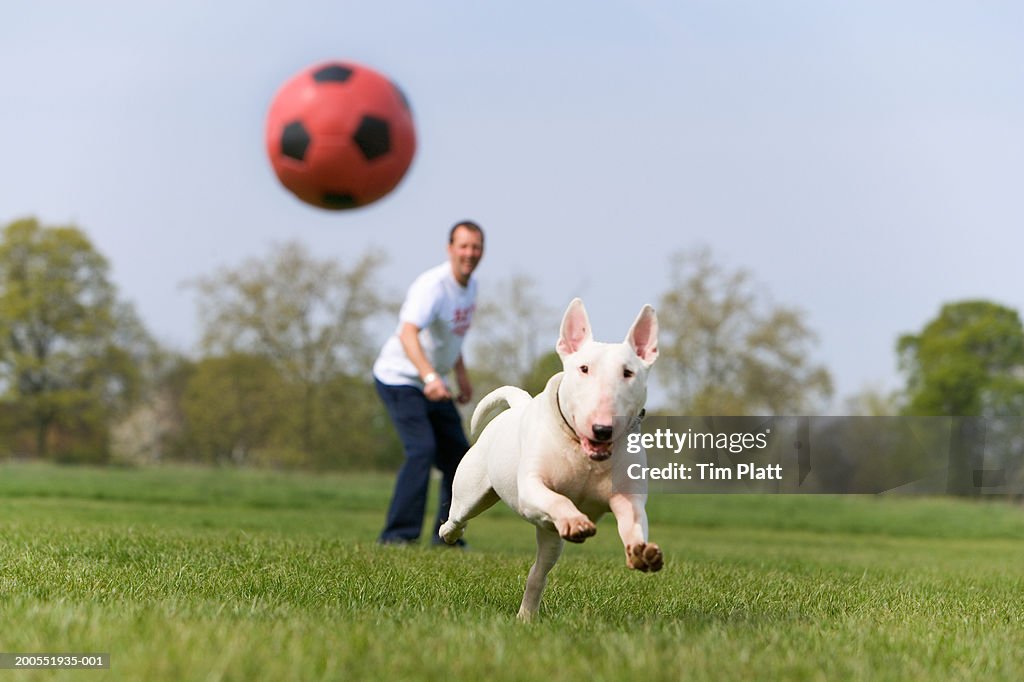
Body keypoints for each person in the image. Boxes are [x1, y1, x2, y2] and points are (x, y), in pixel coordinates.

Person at [373, 220, 484, 545]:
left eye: (475, 247)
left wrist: (461, 375)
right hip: (400, 379)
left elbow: (453, 336)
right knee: (421, 450)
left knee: (459, 457)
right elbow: (407, 333)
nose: (469, 253)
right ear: (450, 249)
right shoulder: (433, 286)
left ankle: (447, 537)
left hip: (432, 381)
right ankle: (397, 537)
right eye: (463, 246)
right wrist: (431, 377)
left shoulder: (471, 287)